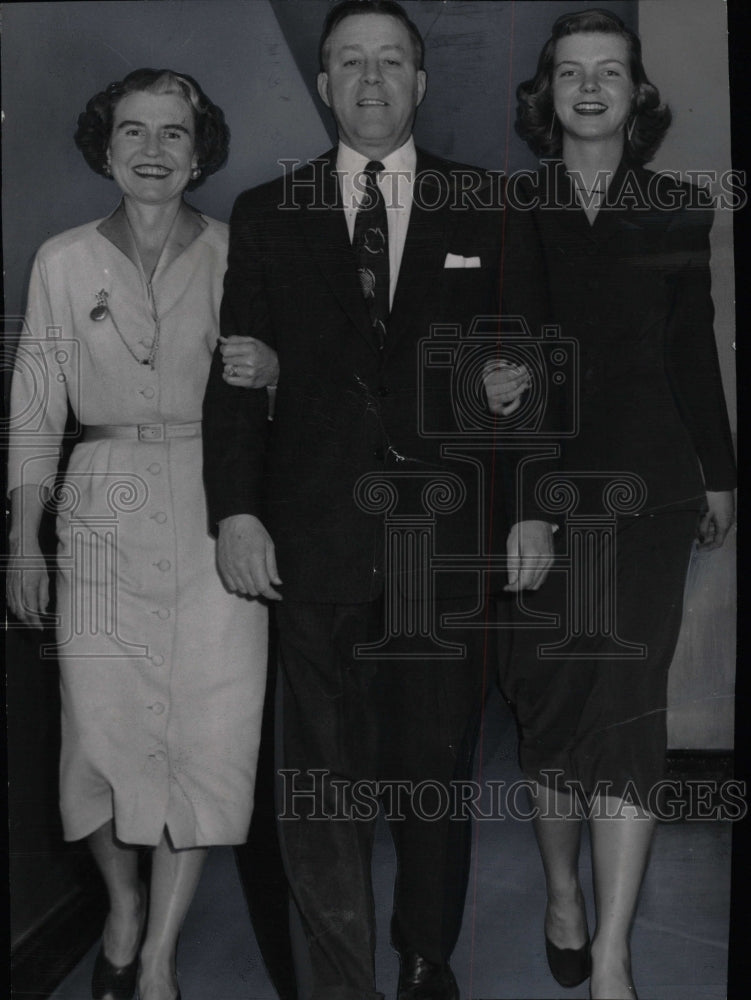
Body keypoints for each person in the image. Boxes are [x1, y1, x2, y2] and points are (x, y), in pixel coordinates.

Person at [202, 2, 553, 997]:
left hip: (441, 542)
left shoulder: (486, 205)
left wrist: (526, 504)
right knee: (317, 784)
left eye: (389, 62)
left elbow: (521, 365)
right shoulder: (270, 216)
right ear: (321, 84)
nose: (369, 81)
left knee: (433, 769)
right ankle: (340, 977)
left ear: (420, 82)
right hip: (310, 539)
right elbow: (236, 378)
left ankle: (423, 954)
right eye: (348, 63)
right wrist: (235, 510)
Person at [6, 69, 276, 1000]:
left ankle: (156, 958)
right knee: (98, 733)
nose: (154, 150)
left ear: (200, 153)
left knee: (210, 730)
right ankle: (120, 900)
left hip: (219, 508)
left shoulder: (245, 256)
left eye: (174, 133)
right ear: (106, 147)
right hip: (102, 503)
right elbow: (37, 408)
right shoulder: (62, 261)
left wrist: (270, 371)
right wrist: (26, 539)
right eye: (134, 132)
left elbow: (305, 394)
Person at [486, 9, 736, 999]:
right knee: (551, 704)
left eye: (611, 71)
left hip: (651, 496)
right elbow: (498, 360)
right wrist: (527, 502)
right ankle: (560, 892)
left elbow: (691, 352)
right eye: (569, 73)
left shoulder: (679, 208)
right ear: (545, 96)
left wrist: (718, 473)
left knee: (628, 711)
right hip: (538, 495)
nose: (589, 87)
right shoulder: (510, 208)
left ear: (638, 93)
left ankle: (614, 954)